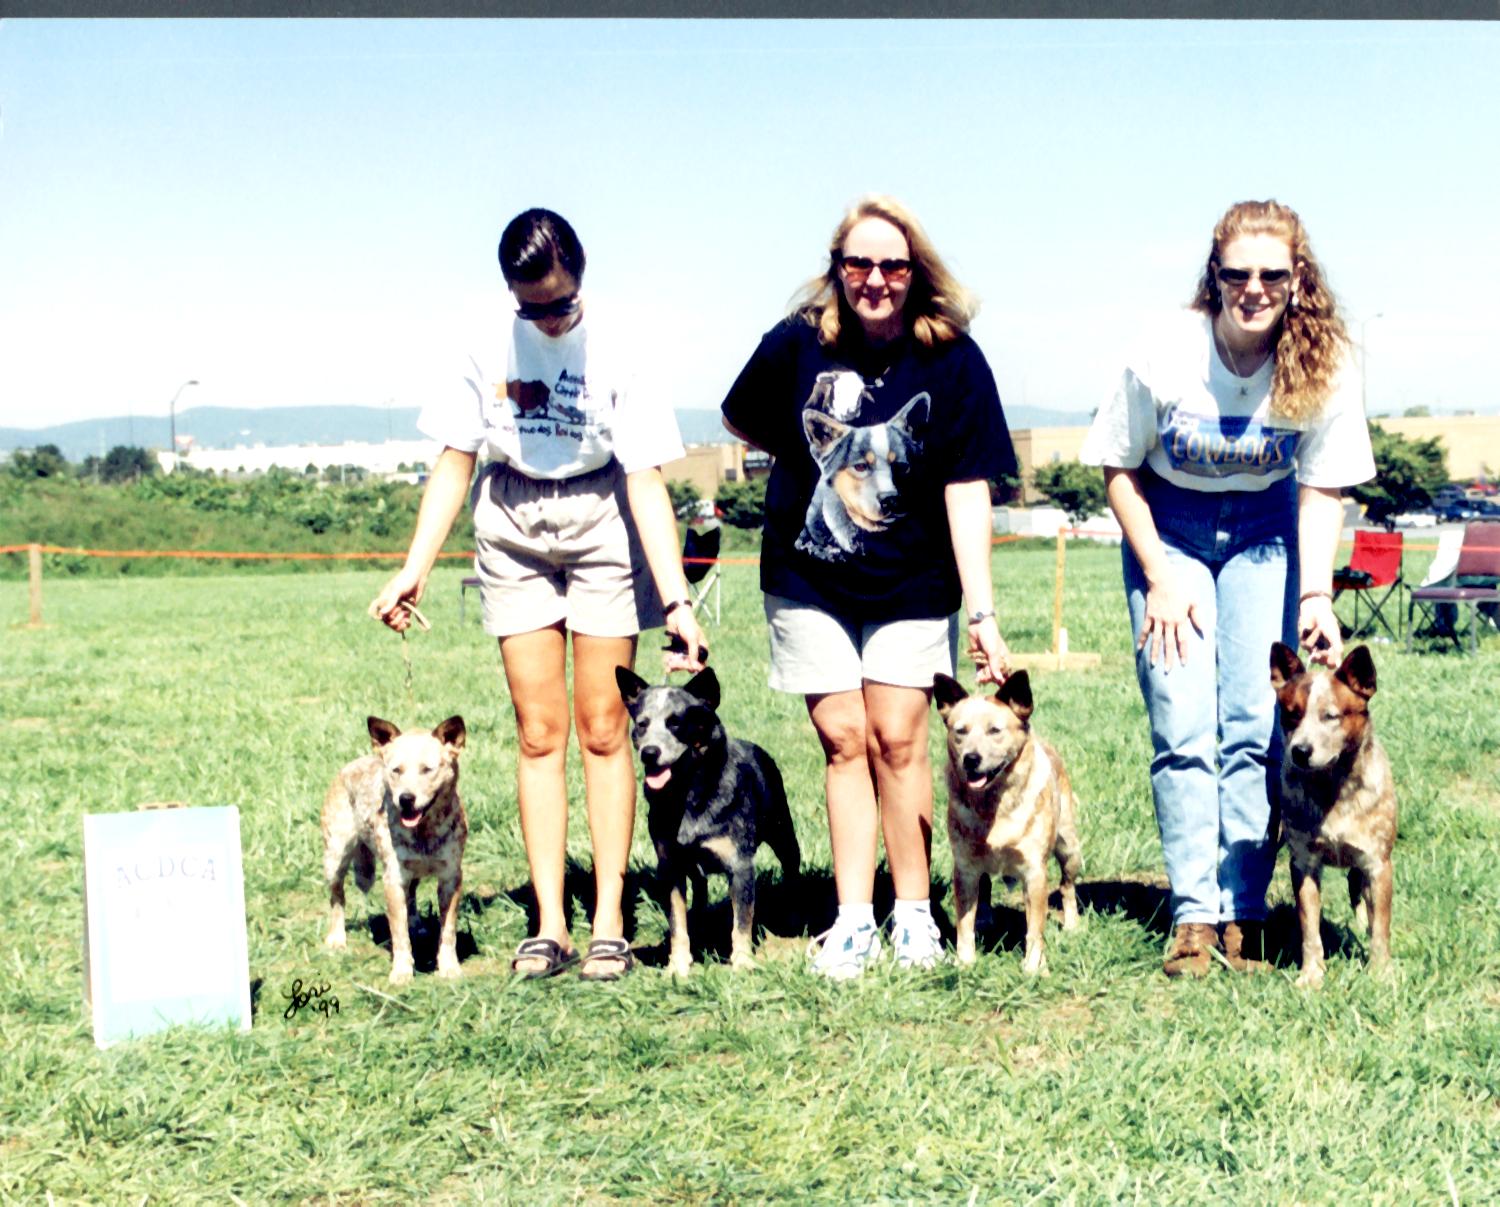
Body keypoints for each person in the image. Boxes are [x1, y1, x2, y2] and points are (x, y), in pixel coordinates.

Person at [372, 207, 707, 982]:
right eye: (532, 308)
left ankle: (611, 921)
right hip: (514, 521)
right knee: (538, 731)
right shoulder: (480, 339)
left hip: (602, 518)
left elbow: (647, 478)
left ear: (580, 281)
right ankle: (551, 923)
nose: (548, 320)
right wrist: (415, 565)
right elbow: (455, 460)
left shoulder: (623, 342)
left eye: (560, 303)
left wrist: (678, 598)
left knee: (600, 727)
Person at [721, 195, 1016, 979]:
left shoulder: (951, 357)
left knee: (901, 738)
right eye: (860, 263)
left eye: (892, 264)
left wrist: (982, 612)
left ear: (916, 271)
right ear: (837, 268)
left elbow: (966, 484)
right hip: (807, 573)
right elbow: (742, 415)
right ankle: (853, 918)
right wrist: (810, 450)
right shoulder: (796, 345)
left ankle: (914, 912)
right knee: (844, 739)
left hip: (913, 580)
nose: (876, 279)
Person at [1080, 199, 1375, 977]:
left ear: (1296, 277)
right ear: (1214, 275)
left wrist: (1315, 594)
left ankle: (1244, 910)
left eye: (1272, 273)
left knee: (1254, 721)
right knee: (1182, 723)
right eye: (1237, 272)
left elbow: (1321, 484)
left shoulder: (1324, 361)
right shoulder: (1165, 352)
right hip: (1167, 524)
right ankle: (1192, 915)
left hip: (1265, 529)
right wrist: (1159, 578)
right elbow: (1118, 466)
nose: (1254, 288)